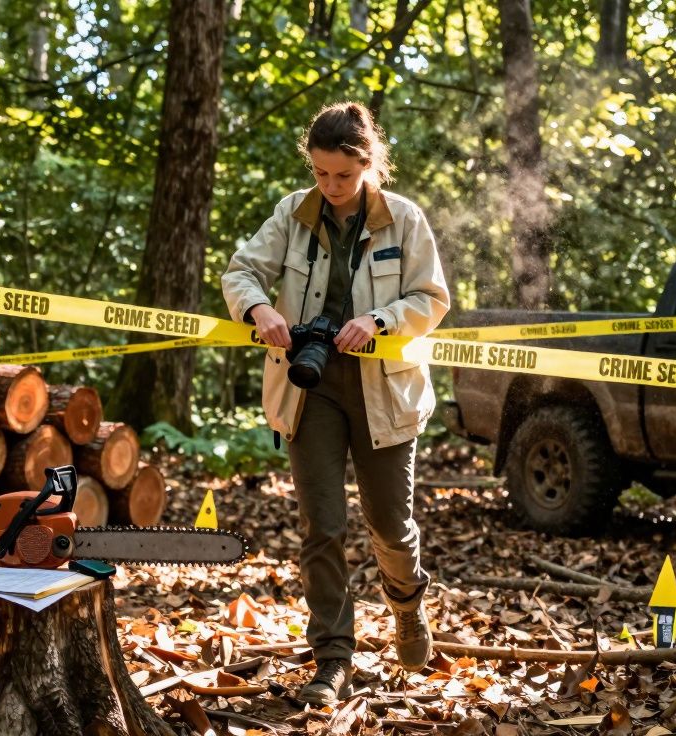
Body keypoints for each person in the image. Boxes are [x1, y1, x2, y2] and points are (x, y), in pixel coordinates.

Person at [221, 102, 450, 705]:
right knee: (321, 527)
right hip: (309, 385)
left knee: (390, 528)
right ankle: (332, 658)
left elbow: (432, 298)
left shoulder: (404, 220)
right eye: (321, 174)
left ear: (368, 164)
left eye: (343, 176)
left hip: (386, 389)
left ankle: (407, 608)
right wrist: (259, 308)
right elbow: (241, 271)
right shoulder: (291, 213)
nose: (331, 187)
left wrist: (380, 319)